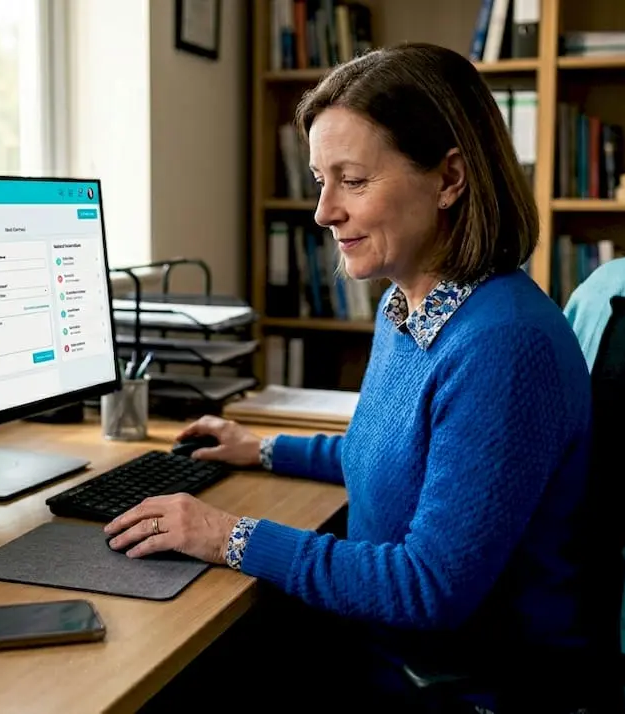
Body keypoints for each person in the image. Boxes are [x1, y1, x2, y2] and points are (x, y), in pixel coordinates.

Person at [107, 43, 595, 707]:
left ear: (450, 178)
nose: (323, 211)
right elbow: (396, 457)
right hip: (384, 647)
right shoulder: (413, 305)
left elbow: (428, 586)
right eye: (319, 180)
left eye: (354, 181)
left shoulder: (503, 347)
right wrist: (262, 449)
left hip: (451, 681)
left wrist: (228, 535)